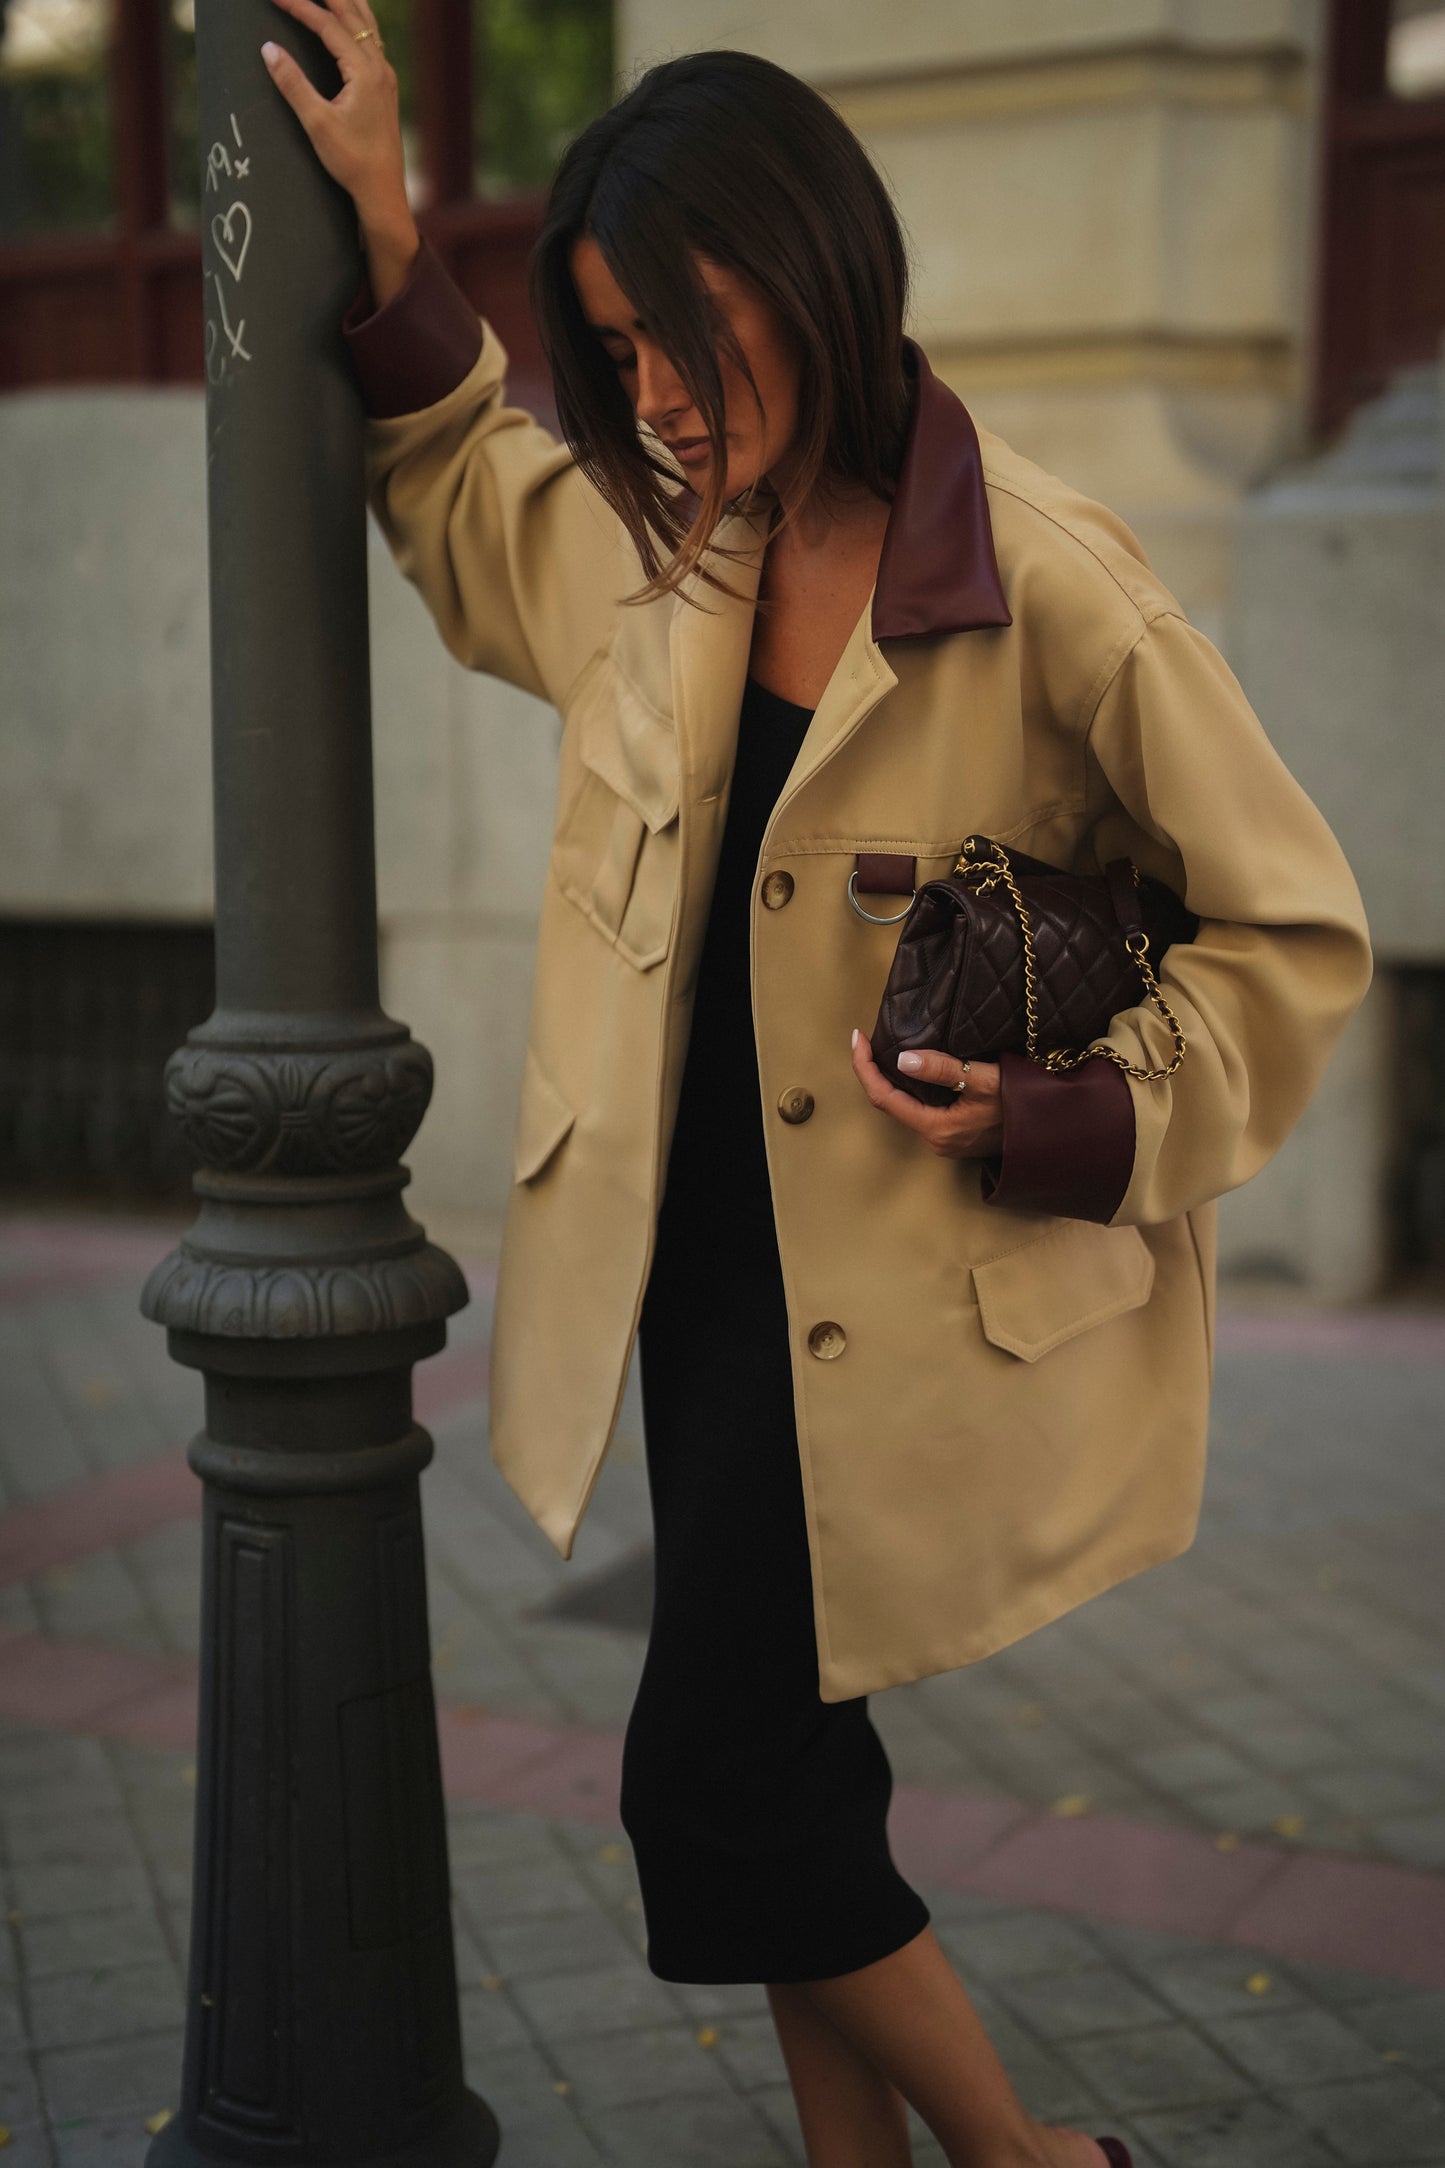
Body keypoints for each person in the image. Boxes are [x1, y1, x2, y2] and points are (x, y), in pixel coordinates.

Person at [261, 15, 1373, 2166]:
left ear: (810, 266)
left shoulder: (1049, 582)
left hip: (900, 1311)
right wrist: (394, 241)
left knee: (716, 1784)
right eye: (620, 353)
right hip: (696, 1288)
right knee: (792, 1780)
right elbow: (478, 504)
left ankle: (1039, 2165)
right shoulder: (673, 547)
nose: (660, 399)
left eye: (683, 334)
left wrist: (1071, 1115)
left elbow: (1293, 932)